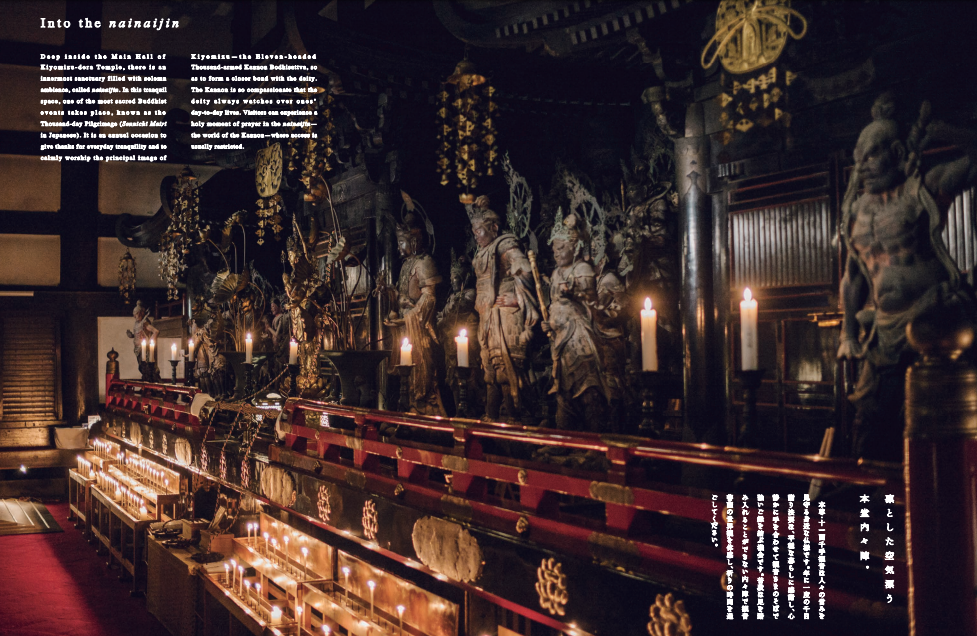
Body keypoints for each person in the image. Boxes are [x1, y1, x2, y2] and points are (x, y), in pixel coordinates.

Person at [838, 92, 977, 461]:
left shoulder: (923, 188)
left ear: (897, 153)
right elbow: (853, 277)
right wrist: (848, 332)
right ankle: (878, 494)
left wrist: (948, 131)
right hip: (882, 330)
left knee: (935, 423)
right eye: (858, 158)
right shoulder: (857, 211)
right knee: (872, 424)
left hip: (933, 321)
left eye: (871, 156)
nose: (862, 167)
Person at [470, 196, 540, 423]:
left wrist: (517, 297)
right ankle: (492, 416)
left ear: (494, 227)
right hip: (487, 316)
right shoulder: (482, 251)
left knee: (507, 368)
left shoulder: (504, 244)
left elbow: (525, 270)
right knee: (489, 369)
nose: (476, 235)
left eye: (479, 230)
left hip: (505, 315)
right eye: (474, 231)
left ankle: (515, 416)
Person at [542, 211, 611, 432]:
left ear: (575, 247)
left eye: (561, 247)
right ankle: (565, 435)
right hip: (560, 339)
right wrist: (549, 323)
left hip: (578, 335)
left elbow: (592, 301)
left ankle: (595, 436)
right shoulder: (555, 273)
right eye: (554, 248)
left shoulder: (582, 269)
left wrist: (574, 293)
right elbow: (555, 304)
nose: (556, 252)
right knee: (563, 387)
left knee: (586, 383)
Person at [379, 213, 445, 415]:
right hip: (405, 324)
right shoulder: (406, 264)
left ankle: (422, 406)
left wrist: (408, 317)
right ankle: (407, 406)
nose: (399, 248)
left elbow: (429, 298)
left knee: (419, 364)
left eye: (401, 243)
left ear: (414, 241)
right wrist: (388, 291)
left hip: (418, 325)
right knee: (404, 367)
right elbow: (402, 295)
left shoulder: (424, 262)